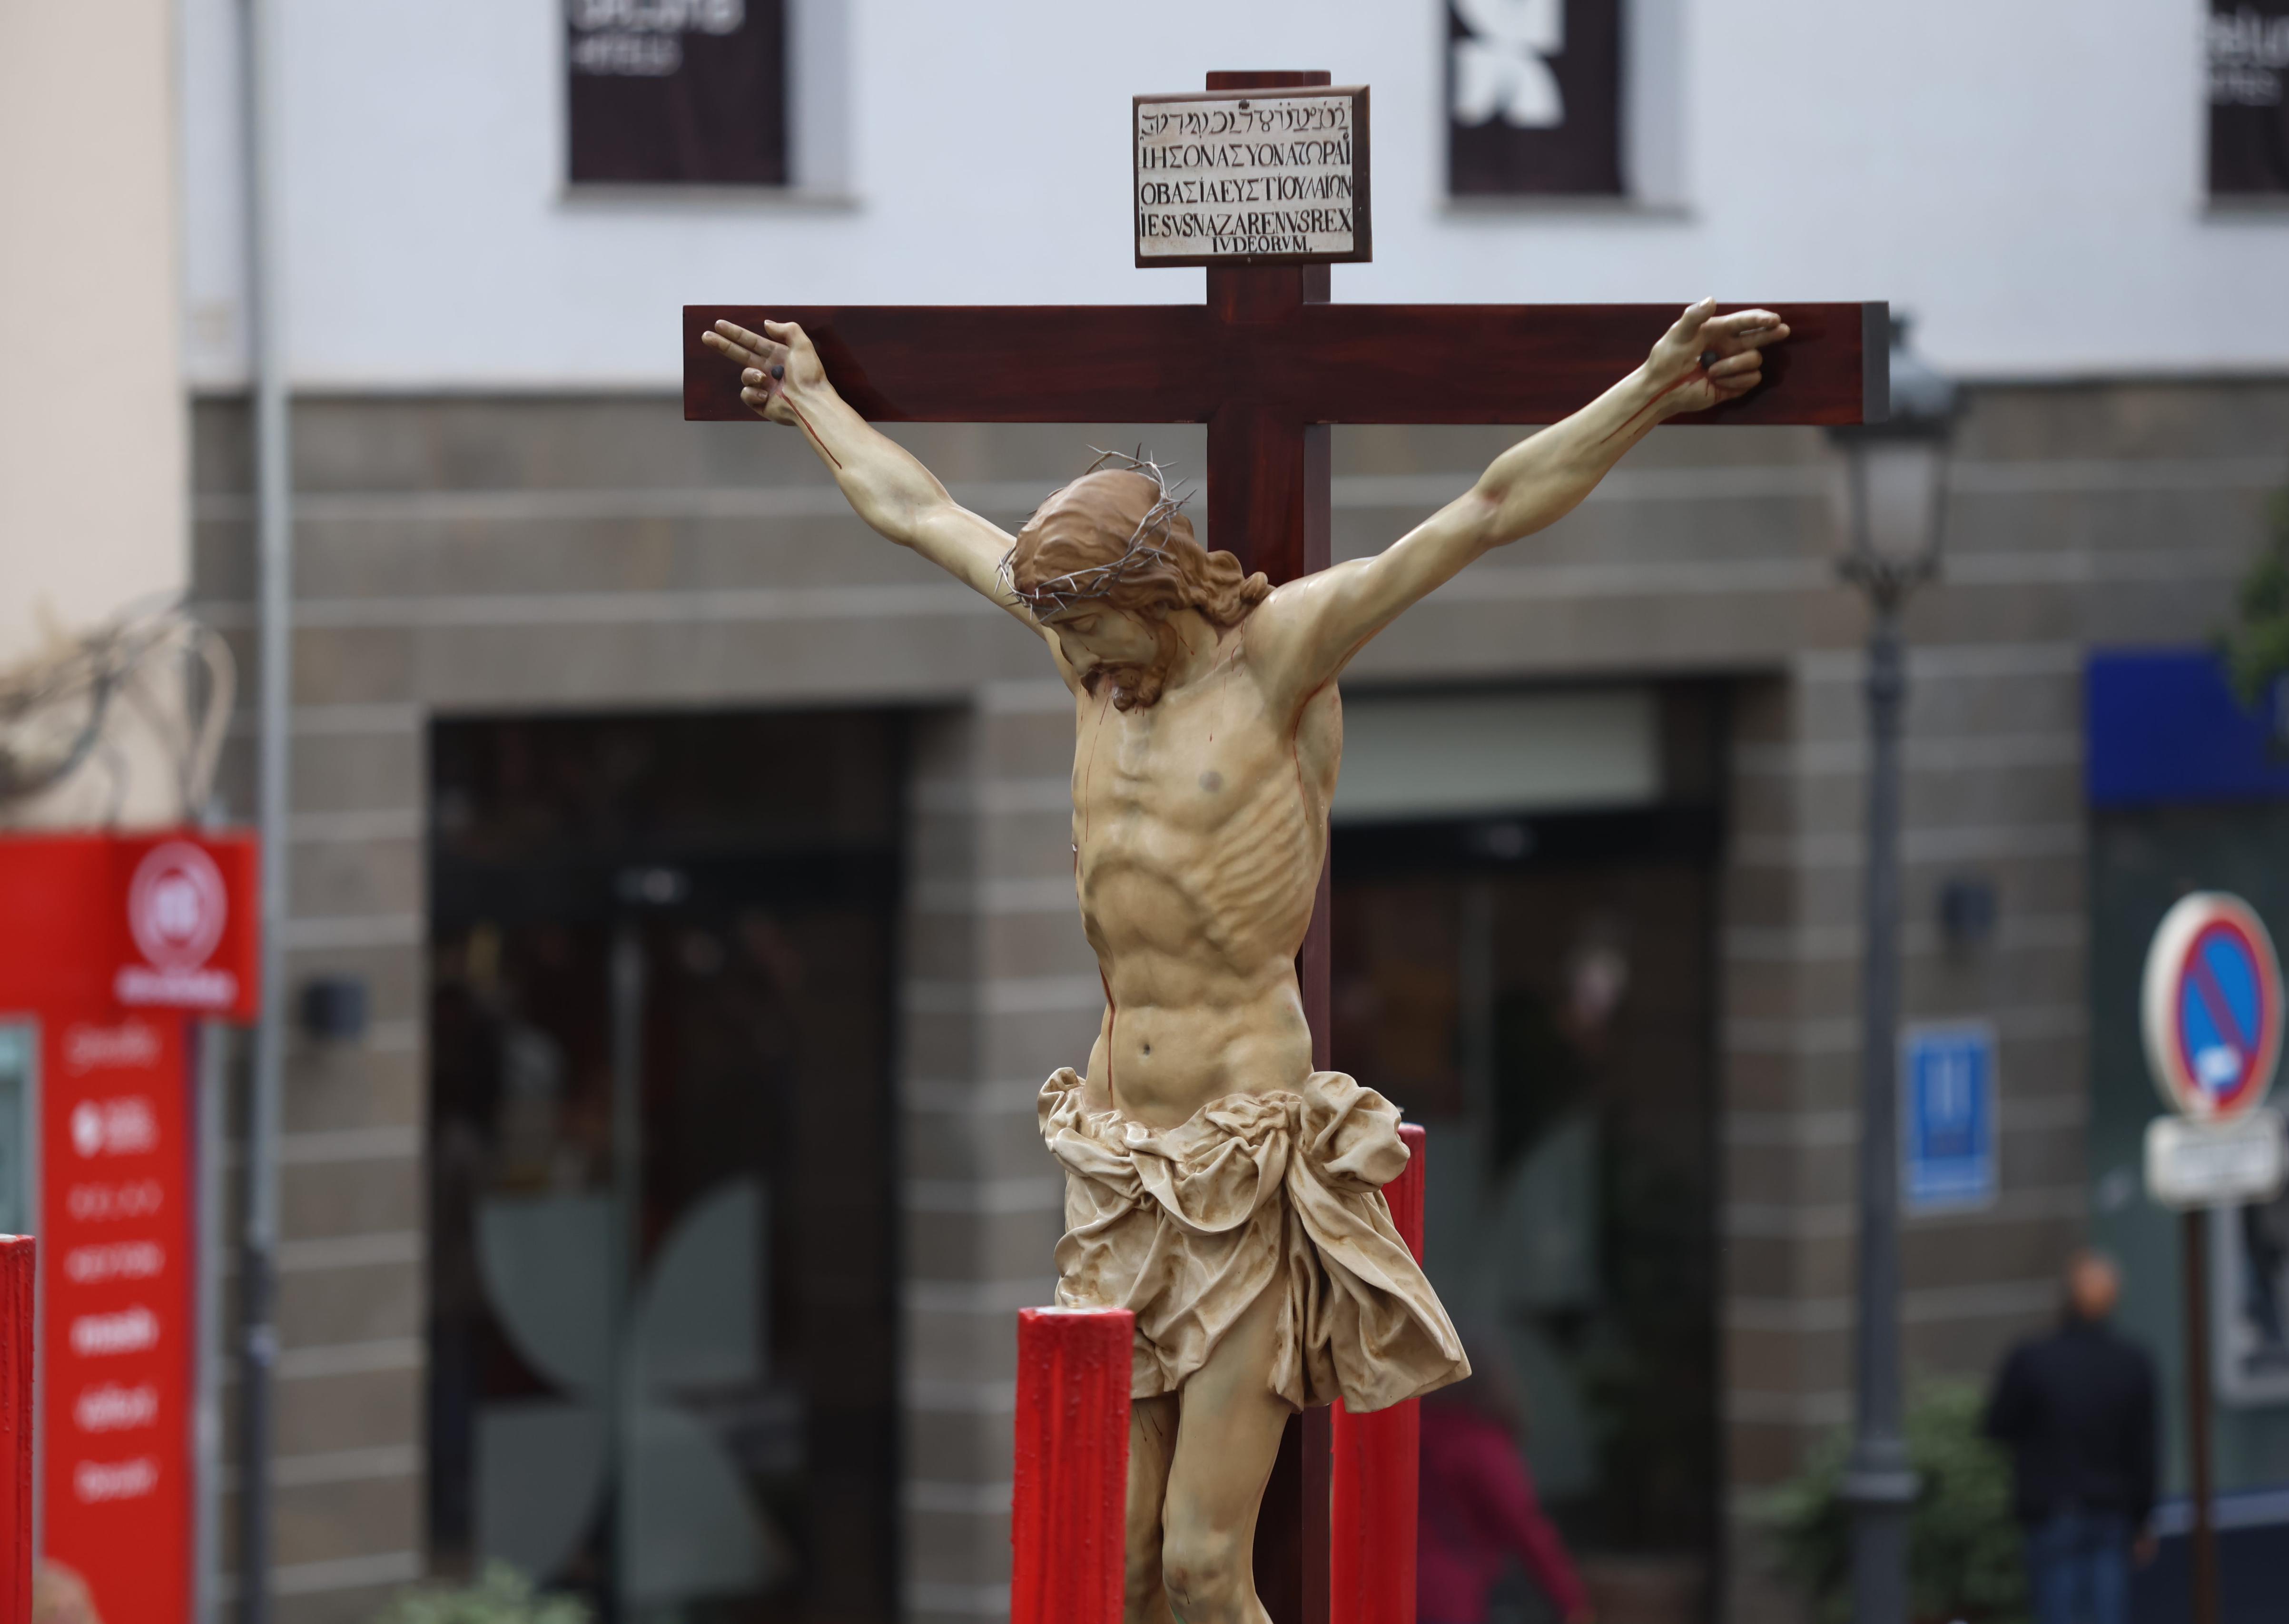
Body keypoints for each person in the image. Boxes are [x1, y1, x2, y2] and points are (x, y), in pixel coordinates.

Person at [702, 298, 1789, 1624]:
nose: (1083, 665)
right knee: (1116, 1570)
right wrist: (813, 401)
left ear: (1151, 596)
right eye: (1068, 640)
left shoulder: (1278, 661)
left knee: (1209, 1569)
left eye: (1097, 634)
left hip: (1239, 1148)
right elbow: (924, 512)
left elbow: (1491, 506)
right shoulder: (1083, 651)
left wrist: (1651, 391)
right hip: (1116, 1157)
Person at [1984, 1251, 2160, 1624]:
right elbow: (2145, 1449)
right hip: (2112, 1511)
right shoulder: (2132, 1361)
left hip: (2052, 1511)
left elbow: (1997, 1426)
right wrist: (2144, 1517)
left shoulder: (2033, 1358)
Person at [1418, 1360, 1593, 1624]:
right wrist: (1573, 1603)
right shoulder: (1479, 1444)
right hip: (1458, 1598)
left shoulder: (1412, 1435)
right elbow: (1526, 1527)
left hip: (1397, 1588)